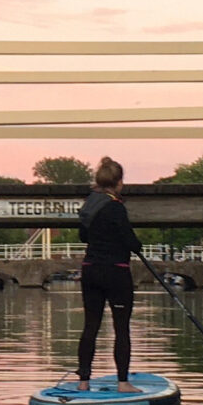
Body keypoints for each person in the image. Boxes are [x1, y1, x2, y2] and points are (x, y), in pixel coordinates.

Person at [75, 157, 141, 388]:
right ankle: (123, 382)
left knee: (90, 326)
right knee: (121, 327)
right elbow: (131, 242)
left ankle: (83, 381)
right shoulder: (116, 207)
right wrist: (137, 246)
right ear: (119, 183)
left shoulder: (89, 205)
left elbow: (83, 237)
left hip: (90, 270)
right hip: (116, 272)